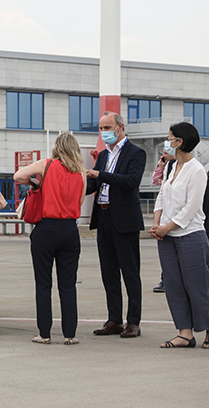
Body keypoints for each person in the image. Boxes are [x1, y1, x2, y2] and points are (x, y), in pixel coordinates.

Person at [15, 133, 86, 345]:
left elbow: (18, 176)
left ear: (57, 148)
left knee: (43, 283)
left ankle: (44, 333)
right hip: (70, 230)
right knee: (68, 284)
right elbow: (80, 202)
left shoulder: (47, 165)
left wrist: (36, 184)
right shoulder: (81, 173)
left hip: (46, 228)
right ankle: (70, 334)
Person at [86, 111, 146, 338]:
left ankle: (133, 321)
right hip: (104, 217)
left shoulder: (135, 153)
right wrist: (73, 186)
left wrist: (100, 174)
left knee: (130, 272)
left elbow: (131, 181)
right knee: (108, 272)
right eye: (101, 128)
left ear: (120, 127)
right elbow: (95, 184)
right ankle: (114, 319)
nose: (104, 132)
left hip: (125, 219)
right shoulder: (103, 155)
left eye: (107, 127)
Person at [149, 122, 209, 349]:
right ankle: (185, 333)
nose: (167, 142)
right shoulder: (170, 167)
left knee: (197, 286)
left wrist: (168, 227)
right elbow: (162, 196)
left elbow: (192, 207)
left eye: (169, 138)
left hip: (190, 235)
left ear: (180, 141)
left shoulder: (197, 170)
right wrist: (157, 223)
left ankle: (207, 329)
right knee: (174, 285)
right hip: (166, 236)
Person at [150, 150, 176, 294]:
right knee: (167, 254)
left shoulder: (185, 166)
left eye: (167, 152)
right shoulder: (168, 166)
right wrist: (160, 166)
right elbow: (156, 181)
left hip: (175, 215)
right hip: (165, 212)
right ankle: (165, 280)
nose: (165, 155)